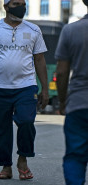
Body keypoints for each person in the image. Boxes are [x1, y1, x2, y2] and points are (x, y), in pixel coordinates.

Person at [0, 0, 49, 180]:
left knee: (26, 121)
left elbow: (39, 59)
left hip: (26, 86)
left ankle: (23, 159)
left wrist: (45, 89)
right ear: (6, 6)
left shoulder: (33, 30)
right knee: (0, 128)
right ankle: (6, 166)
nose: (21, 7)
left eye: (23, 3)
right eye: (16, 3)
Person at [55, 1, 88, 184]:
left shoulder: (70, 30)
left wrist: (62, 101)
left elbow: (61, 72)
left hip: (78, 102)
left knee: (75, 156)